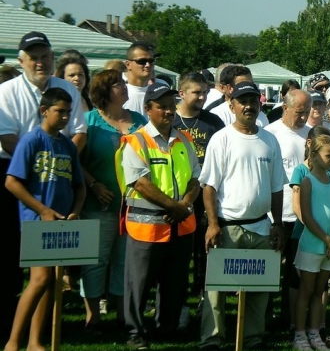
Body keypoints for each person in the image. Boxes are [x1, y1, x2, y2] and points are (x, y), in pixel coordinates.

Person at [0, 31, 87, 342]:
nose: (40, 62)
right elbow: (8, 142)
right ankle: (13, 338)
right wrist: (40, 162)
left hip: (58, 184)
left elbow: (79, 132)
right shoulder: (7, 91)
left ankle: (37, 340)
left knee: (50, 275)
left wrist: (62, 157)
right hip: (21, 179)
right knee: (28, 272)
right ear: (21, 60)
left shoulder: (66, 90)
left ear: (53, 58)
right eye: (33, 57)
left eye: (45, 56)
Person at [199, 81, 286, 351]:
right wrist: (213, 224)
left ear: (260, 104)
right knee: (217, 289)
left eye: (253, 101)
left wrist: (277, 224)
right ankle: (212, 339)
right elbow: (209, 187)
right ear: (232, 105)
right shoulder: (221, 138)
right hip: (228, 227)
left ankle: (252, 338)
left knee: (259, 288)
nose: (249, 106)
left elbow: (276, 187)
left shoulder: (270, 140)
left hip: (261, 226)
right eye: (242, 101)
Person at [117, 83, 202, 350]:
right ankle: (135, 331)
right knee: (139, 284)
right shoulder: (136, 141)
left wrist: (185, 204)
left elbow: (196, 178)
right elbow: (140, 183)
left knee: (174, 283)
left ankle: (167, 328)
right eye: (161, 106)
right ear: (148, 109)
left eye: (170, 106)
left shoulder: (184, 140)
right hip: (147, 227)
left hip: (180, 225)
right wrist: (174, 207)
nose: (168, 111)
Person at [78, 70, 148, 333]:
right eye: (117, 83)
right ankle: (93, 317)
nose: (124, 86)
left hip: (133, 206)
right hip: (99, 205)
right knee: (95, 261)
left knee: (125, 262)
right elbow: (75, 160)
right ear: (103, 91)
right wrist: (93, 185)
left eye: (123, 82)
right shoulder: (90, 121)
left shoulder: (139, 121)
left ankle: (123, 314)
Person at [173, 71, 225, 318]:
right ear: (181, 93)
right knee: (179, 255)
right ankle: (179, 304)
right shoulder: (171, 120)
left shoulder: (213, 122)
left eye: (205, 92)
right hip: (178, 197)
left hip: (207, 196)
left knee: (206, 250)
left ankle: (206, 301)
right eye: (197, 92)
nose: (202, 97)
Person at [264, 89, 312, 331]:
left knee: (294, 271)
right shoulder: (270, 134)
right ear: (285, 108)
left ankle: (289, 318)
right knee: (270, 270)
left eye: (306, 112)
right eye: (299, 112)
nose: (303, 118)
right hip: (275, 213)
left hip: (301, 215)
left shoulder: (310, 134)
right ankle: (264, 316)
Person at [293, 133, 330, 351]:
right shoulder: (307, 181)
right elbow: (307, 217)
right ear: (314, 155)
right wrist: (327, 239)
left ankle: (314, 333)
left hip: (329, 249)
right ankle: (299, 335)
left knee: (319, 291)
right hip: (312, 246)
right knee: (306, 291)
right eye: (328, 155)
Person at [122, 42, 156, 117]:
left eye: (151, 61)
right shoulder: (119, 93)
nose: (148, 65)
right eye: (142, 61)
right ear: (128, 64)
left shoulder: (158, 92)